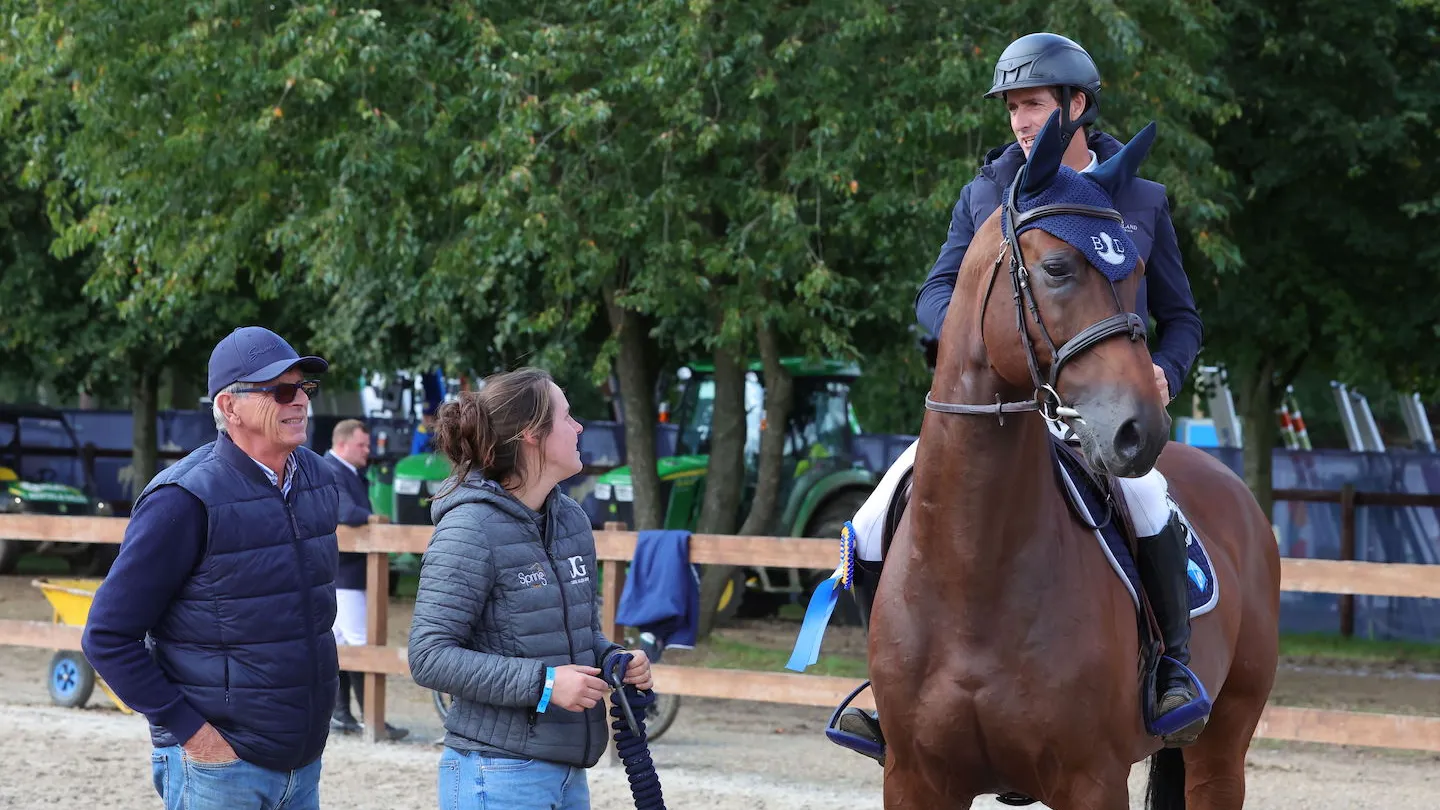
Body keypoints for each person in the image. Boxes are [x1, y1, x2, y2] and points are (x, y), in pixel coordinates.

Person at [837, 32, 1206, 759]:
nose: (1019, 120)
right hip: (991, 410)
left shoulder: (1143, 198)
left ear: (1076, 103)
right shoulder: (986, 192)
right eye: (1011, 106)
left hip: (1093, 412)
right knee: (871, 520)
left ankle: (1170, 669)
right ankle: (889, 689)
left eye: (1032, 104)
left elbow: (1183, 316)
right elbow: (936, 290)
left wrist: (1165, 369)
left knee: (1150, 499)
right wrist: (967, 351)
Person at [81, 326, 339, 810]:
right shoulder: (182, 499)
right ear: (228, 407)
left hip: (303, 764)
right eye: (279, 390)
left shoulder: (319, 481)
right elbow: (107, 636)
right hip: (220, 769)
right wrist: (194, 735)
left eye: (303, 387)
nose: (298, 401)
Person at [408, 367, 654, 810]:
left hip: (567, 773)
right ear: (531, 435)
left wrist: (612, 658)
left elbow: (569, 635)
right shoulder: (469, 527)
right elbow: (428, 656)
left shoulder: (571, 521)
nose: (579, 427)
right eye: (567, 416)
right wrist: (544, 685)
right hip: (495, 773)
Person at [323, 418, 408, 740]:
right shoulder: (331, 469)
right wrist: (373, 519)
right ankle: (371, 719)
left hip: (345, 572)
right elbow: (344, 511)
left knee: (344, 645)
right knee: (361, 644)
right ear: (343, 444)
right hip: (345, 574)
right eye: (362, 444)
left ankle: (343, 715)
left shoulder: (345, 470)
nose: (368, 451)